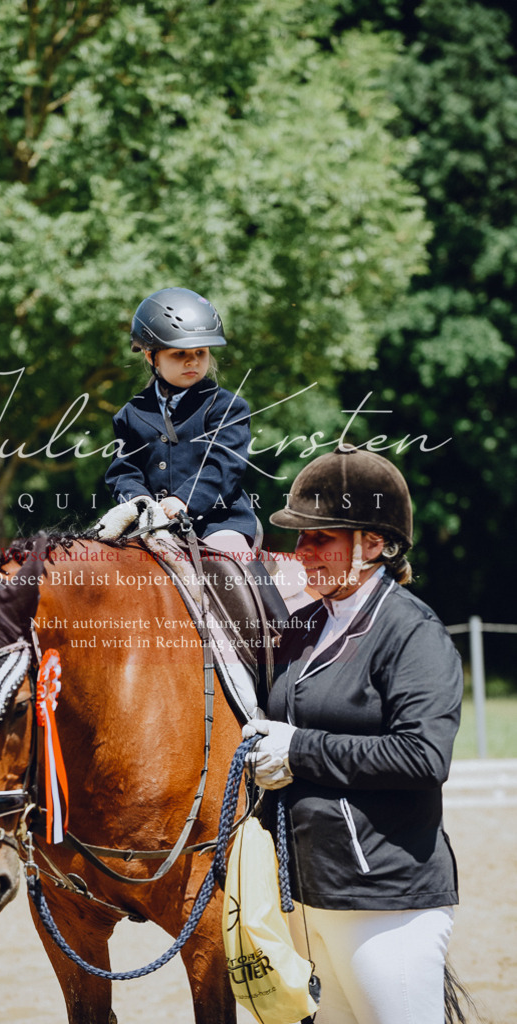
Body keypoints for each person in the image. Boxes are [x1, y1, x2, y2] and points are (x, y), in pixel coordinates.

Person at [244, 444, 464, 1024]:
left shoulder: (413, 633)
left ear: (374, 543)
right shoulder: (303, 626)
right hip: (307, 899)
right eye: (301, 537)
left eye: (322, 537)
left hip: (384, 902)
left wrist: (299, 749)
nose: (303, 551)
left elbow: (423, 756)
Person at [105, 286, 258, 556]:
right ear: (150, 355)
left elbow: (224, 466)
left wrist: (184, 499)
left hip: (220, 523)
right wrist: (140, 503)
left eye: (201, 353)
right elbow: (124, 471)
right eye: (179, 354)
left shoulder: (228, 407)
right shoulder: (130, 413)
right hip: (151, 526)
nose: (193, 362)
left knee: (227, 570)